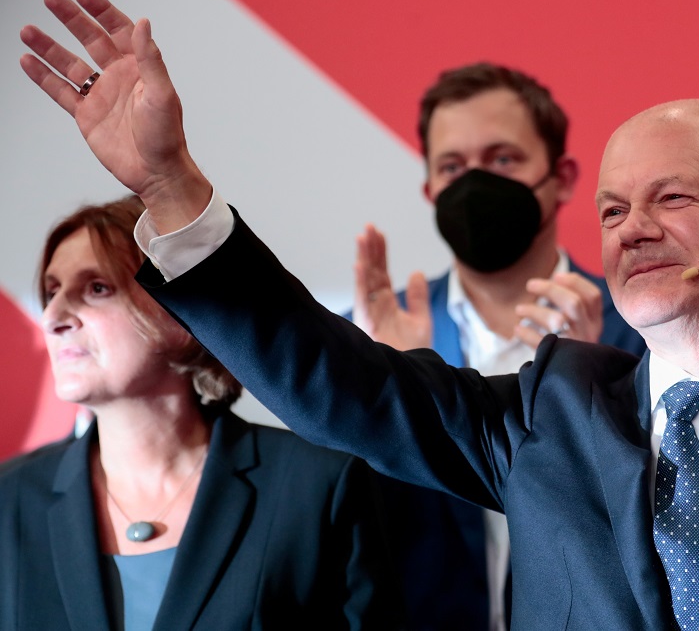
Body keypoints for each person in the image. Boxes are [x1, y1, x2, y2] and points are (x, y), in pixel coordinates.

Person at [19, 0, 699, 629]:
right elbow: (332, 380)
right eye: (612, 209)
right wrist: (169, 182)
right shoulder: (554, 410)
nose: (631, 231)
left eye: (671, 199)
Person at [0, 196, 400, 629]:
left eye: (97, 288)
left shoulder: (317, 486)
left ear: (182, 313)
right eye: (52, 291)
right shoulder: (9, 500)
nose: (54, 317)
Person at [351, 62, 646, 630]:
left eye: (503, 159)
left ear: (561, 177)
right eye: (453, 167)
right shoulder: (373, 334)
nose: (474, 185)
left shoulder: (641, 331)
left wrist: (584, 386)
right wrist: (389, 382)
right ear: (430, 189)